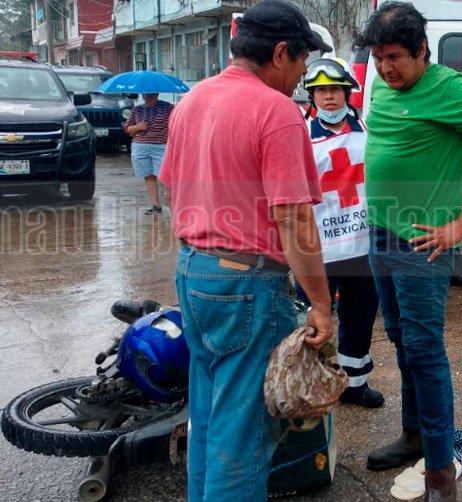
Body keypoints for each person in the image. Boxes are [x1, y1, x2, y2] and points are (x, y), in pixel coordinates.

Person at [157, 1, 335, 500]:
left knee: (210, 418)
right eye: (302, 62)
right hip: (247, 286)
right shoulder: (277, 112)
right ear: (280, 53)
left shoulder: (192, 100)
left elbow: (172, 188)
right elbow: (294, 220)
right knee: (245, 437)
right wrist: (321, 305)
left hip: (194, 272)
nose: (302, 76)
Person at [354, 2, 462, 500]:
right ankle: (414, 436)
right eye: (378, 58)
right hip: (380, 234)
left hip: (421, 244)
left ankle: (441, 471)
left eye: (395, 57)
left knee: (425, 352)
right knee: (401, 342)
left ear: (422, 49)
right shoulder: (381, 85)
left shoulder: (451, 88)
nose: (385, 68)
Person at [299, 57, 385, 408]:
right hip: (319, 249)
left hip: (362, 246)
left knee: (360, 319)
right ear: (312, 96)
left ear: (347, 93)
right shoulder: (301, 136)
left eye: (335, 89)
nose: (329, 97)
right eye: (321, 91)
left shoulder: (368, 130)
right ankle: (305, 387)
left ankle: (355, 385)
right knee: (310, 322)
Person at [124, 92, 173, 215]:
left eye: (152, 94)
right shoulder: (137, 110)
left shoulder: (168, 107)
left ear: (157, 94)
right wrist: (138, 127)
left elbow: (176, 122)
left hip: (161, 146)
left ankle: (173, 205)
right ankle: (156, 205)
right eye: (146, 94)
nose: (149, 96)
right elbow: (127, 128)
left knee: (165, 176)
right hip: (140, 146)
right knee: (148, 175)